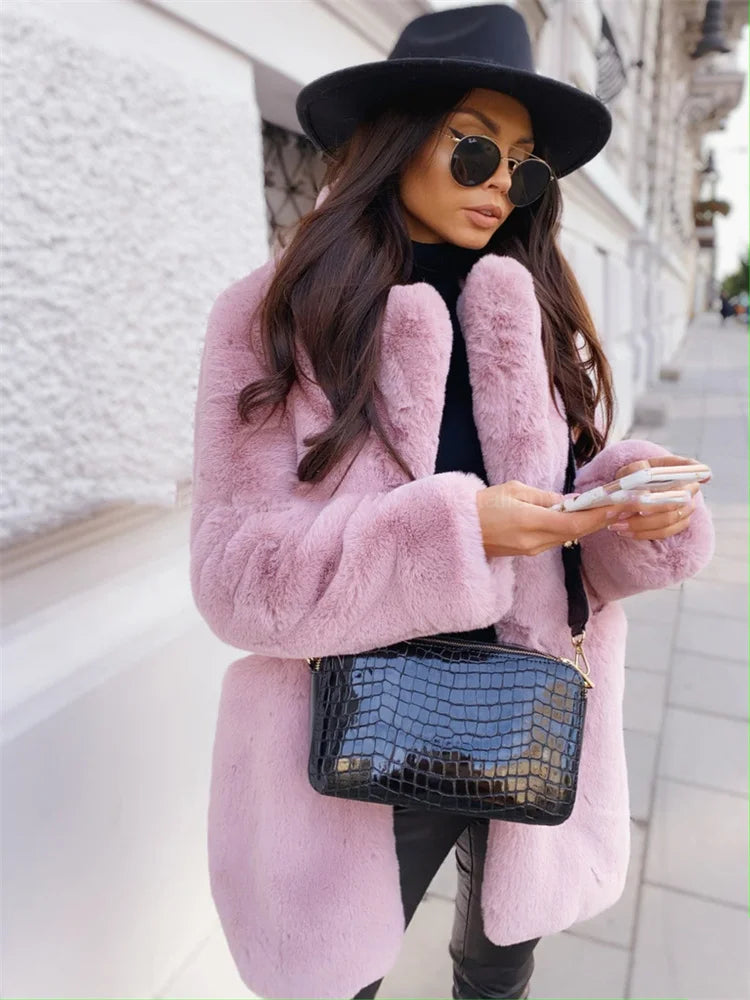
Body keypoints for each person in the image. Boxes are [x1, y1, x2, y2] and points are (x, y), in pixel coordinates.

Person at [189, 5, 715, 999]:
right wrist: (455, 533)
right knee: (340, 979)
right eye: (475, 149)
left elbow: (553, 544)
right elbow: (236, 580)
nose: (502, 186)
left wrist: (621, 510)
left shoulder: (529, 300)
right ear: (398, 136)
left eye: (524, 165)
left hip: (528, 706)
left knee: (501, 961)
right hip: (349, 725)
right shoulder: (277, 319)